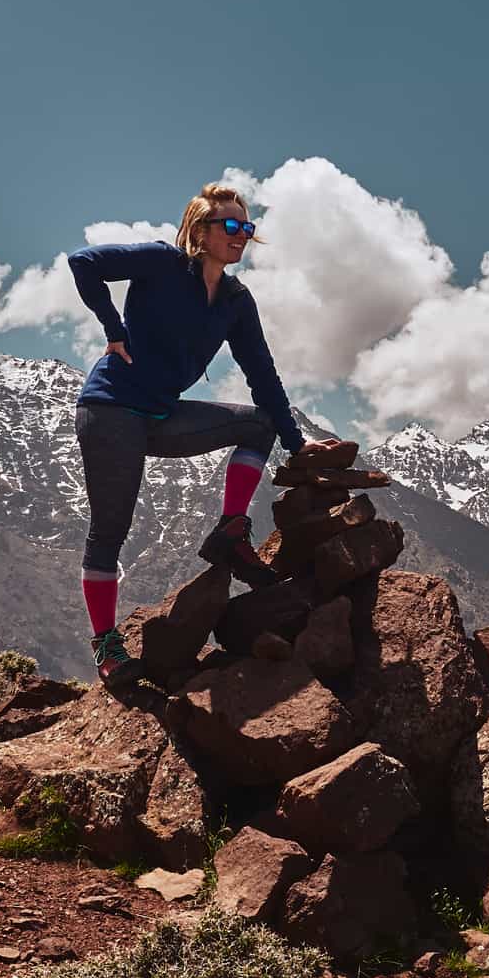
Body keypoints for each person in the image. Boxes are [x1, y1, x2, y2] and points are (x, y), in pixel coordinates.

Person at [69, 182, 344, 688]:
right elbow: (83, 262)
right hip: (110, 412)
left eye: (248, 227)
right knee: (111, 530)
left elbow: (262, 375)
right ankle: (107, 646)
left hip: (162, 415)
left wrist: (297, 442)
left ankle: (230, 531)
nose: (241, 236)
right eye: (231, 226)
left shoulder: (236, 301)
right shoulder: (160, 262)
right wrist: (113, 328)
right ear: (200, 230)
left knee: (256, 423)